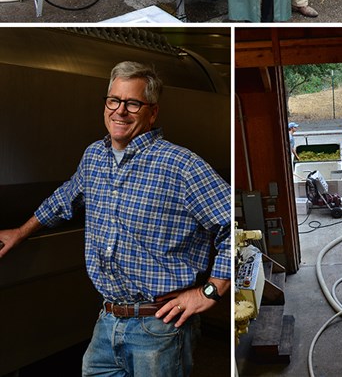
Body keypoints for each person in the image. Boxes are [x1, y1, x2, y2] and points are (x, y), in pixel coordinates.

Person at [0, 61, 230, 376]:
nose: (120, 111)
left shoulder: (181, 166)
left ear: (152, 113)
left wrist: (210, 290)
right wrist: (20, 232)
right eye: (114, 100)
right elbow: (64, 199)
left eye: (133, 103)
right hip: (108, 320)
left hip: (159, 328)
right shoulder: (95, 156)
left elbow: (232, 224)